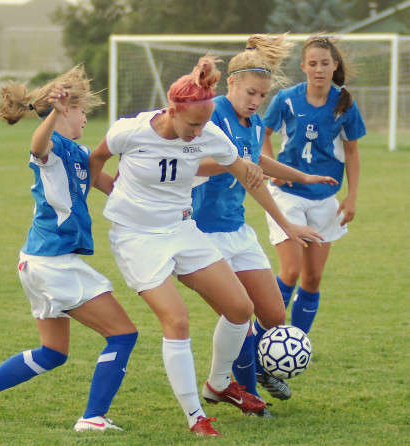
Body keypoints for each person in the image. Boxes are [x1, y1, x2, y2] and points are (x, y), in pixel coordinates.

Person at [89, 55, 324, 437]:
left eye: (205, 124)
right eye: (194, 124)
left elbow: (251, 174)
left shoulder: (211, 134)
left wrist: (286, 222)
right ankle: (196, 415)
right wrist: (115, 197)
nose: (201, 133)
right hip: (137, 239)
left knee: (241, 309)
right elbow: (93, 161)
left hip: (182, 230)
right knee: (177, 321)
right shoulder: (128, 131)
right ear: (171, 110)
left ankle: (218, 383)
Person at [0, 66, 138, 433]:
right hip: (53, 263)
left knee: (53, 352)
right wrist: (51, 112)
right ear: (66, 109)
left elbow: (116, 190)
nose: (86, 118)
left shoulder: (80, 154)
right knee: (123, 334)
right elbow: (37, 145)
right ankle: (93, 418)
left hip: (37, 261)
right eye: (83, 111)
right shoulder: (51, 149)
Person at [191, 34, 339, 414]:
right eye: (251, 93)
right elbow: (193, 162)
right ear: (232, 83)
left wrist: (302, 177)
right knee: (238, 314)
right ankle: (240, 391)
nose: (256, 101)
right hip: (201, 235)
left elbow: (256, 162)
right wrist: (237, 167)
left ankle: (258, 366)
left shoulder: (254, 123)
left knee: (273, 316)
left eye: (262, 96)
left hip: (237, 231)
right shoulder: (210, 114)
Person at [262, 35, 366, 336]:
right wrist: (272, 171)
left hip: (324, 198)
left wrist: (352, 197)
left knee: (312, 277)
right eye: (312, 64)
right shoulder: (287, 99)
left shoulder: (344, 103)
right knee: (291, 271)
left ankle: (297, 341)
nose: (319, 69)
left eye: (324, 63)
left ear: (334, 66)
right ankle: (267, 335)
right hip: (287, 196)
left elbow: (352, 152)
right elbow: (263, 135)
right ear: (303, 67)